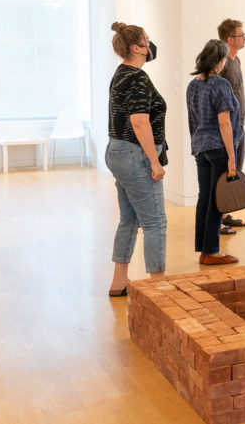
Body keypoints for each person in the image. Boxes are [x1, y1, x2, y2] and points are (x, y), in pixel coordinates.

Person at [105, 22, 167, 296]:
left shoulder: (121, 73)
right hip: (135, 153)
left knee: (129, 219)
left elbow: (132, 118)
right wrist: (154, 161)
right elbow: (140, 122)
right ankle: (159, 287)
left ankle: (119, 282)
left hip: (117, 151)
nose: (149, 44)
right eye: (146, 40)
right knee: (155, 222)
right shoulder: (138, 78)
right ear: (136, 47)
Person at [187, 39, 244, 266]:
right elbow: (225, 123)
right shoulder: (220, 84)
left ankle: (204, 249)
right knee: (216, 200)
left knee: (205, 197)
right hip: (218, 147)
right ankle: (211, 251)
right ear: (220, 60)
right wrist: (232, 155)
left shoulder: (193, 85)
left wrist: (196, 144)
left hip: (201, 146)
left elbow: (193, 120)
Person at [217, 18, 245, 231]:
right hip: (229, 127)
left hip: (240, 126)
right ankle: (218, 220)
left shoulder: (235, 61)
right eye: (241, 35)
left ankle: (225, 214)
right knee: (224, 173)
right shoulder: (223, 63)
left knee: (234, 172)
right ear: (230, 39)